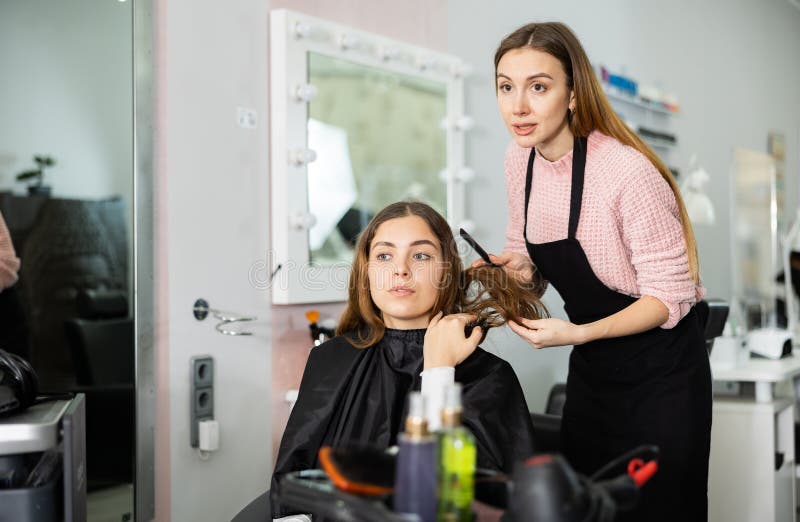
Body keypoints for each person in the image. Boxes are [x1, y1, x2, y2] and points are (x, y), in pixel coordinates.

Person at [477, 22, 712, 521]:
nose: (517, 106)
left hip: (663, 375)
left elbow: (667, 300)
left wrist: (578, 332)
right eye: (505, 86)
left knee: (659, 509)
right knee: (584, 507)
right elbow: (528, 254)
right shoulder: (519, 160)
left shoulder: (626, 172)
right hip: (593, 374)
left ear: (573, 94)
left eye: (538, 87)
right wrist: (511, 270)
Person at [270, 201, 545, 518]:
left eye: (421, 255)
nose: (401, 269)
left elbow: (453, 500)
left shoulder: (489, 377)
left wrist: (438, 371)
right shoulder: (329, 358)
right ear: (367, 271)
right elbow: (292, 482)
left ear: (446, 271)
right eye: (384, 255)